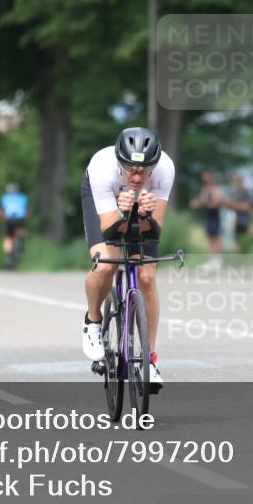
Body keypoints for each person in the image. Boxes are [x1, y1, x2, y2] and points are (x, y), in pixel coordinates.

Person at [81, 127, 174, 389]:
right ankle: (92, 321)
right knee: (104, 266)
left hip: (138, 210)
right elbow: (110, 229)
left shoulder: (165, 169)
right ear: (119, 162)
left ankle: (150, 362)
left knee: (146, 275)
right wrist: (125, 213)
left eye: (144, 170)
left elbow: (154, 230)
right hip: (107, 202)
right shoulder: (102, 168)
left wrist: (143, 215)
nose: (137, 176)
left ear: (154, 166)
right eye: (130, 168)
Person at [190, 170, 223, 264]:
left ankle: (218, 259)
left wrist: (204, 203)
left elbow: (217, 202)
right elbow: (201, 200)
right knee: (209, 237)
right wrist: (195, 204)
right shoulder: (205, 189)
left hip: (214, 216)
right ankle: (212, 259)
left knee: (215, 237)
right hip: (208, 216)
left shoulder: (215, 189)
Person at [0, 183, 30, 268]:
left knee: (8, 237)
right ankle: (21, 247)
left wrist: (3, 220)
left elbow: (0, 211)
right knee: (21, 233)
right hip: (20, 219)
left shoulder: (5, 197)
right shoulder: (23, 197)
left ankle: (8, 255)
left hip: (9, 219)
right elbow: (27, 211)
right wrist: (26, 220)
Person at [226, 174, 253, 242]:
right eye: (234, 181)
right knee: (237, 241)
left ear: (241, 181)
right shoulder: (233, 193)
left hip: (246, 221)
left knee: (247, 241)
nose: (235, 182)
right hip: (235, 221)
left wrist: (234, 205)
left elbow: (247, 207)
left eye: (237, 180)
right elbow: (228, 206)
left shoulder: (246, 192)